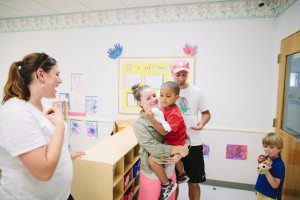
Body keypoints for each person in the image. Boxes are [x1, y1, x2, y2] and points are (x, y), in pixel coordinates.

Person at [0, 52, 84, 200]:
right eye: (57, 74)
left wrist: (66, 155)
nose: (60, 80)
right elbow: (44, 171)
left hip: (62, 195)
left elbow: (43, 144)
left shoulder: (44, 104)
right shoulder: (16, 112)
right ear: (41, 74)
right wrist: (60, 126)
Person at [131, 84, 189, 200]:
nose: (154, 99)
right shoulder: (139, 124)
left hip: (169, 168)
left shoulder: (164, 113)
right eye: (148, 98)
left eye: (153, 95)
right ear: (140, 103)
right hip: (152, 175)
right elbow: (155, 149)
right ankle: (167, 184)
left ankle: (170, 183)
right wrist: (179, 149)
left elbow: (181, 133)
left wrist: (179, 154)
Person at [171, 59, 211, 200]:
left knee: (194, 182)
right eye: (178, 75)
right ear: (172, 73)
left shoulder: (197, 92)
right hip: (172, 144)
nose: (181, 78)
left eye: (184, 75)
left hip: (193, 143)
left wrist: (201, 124)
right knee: (172, 183)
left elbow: (206, 113)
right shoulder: (164, 92)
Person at [148, 81, 189, 189]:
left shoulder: (175, 113)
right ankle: (181, 175)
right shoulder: (164, 107)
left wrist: (152, 120)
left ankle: (180, 175)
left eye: (168, 96)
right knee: (176, 159)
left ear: (176, 98)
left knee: (173, 160)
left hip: (176, 140)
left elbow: (165, 131)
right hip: (172, 139)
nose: (163, 99)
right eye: (161, 95)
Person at [255, 132, 285, 200]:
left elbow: (275, 185)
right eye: (265, 146)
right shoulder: (267, 157)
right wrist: (260, 164)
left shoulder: (279, 165)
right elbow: (260, 171)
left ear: (279, 149)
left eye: (271, 147)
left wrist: (266, 171)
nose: (267, 149)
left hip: (269, 196)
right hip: (260, 191)